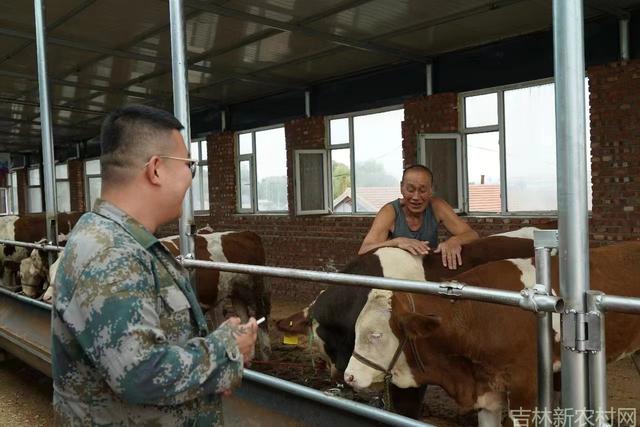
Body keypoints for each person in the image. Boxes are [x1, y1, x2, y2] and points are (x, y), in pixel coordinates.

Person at [52, 105, 257, 426]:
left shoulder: (124, 242)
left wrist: (211, 368)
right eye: (189, 165)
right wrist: (226, 348)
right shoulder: (111, 252)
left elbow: (147, 346)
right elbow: (140, 373)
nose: (191, 176)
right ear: (156, 170)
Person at [359, 165, 479, 269]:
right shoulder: (390, 211)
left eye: (422, 190)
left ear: (431, 190)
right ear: (402, 188)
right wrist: (397, 242)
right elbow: (364, 250)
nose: (416, 197)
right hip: (397, 272)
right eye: (410, 190)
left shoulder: (437, 206)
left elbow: (472, 234)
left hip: (427, 271)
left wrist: (454, 241)